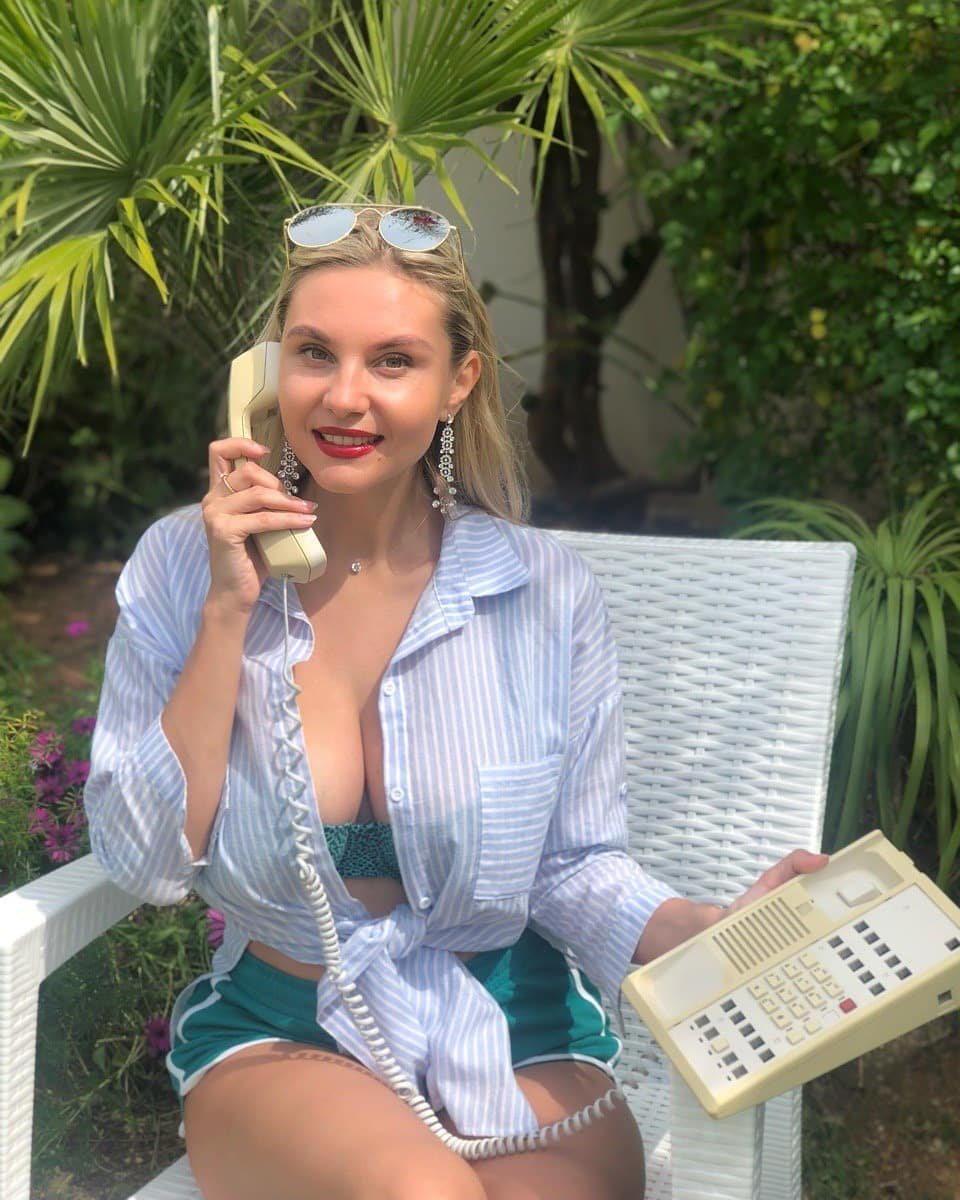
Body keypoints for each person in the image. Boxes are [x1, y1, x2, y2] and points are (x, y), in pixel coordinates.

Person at [84, 202, 828, 1200]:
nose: (344, 396)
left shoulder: (542, 590)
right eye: (314, 352)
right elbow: (143, 861)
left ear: (457, 382)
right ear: (265, 374)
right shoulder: (185, 564)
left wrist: (708, 929)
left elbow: (574, 865)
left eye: (393, 361)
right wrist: (229, 611)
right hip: (287, 1031)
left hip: (516, 1025)